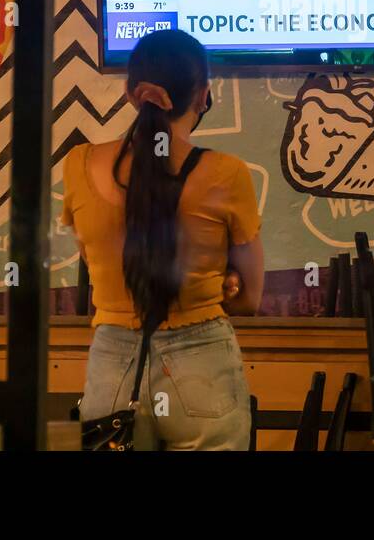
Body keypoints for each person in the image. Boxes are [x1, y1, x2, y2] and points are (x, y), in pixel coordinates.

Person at [61, 29, 264, 450]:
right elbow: (249, 299)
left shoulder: (79, 165)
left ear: (130, 94)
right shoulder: (227, 173)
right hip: (201, 366)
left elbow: (98, 261)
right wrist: (218, 282)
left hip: (112, 369)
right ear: (202, 95)